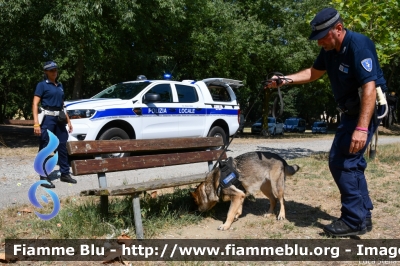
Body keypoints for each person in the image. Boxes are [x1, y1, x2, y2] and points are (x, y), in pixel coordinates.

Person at [266, 8, 387, 237]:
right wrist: (285, 80)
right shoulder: (330, 50)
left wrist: (361, 129)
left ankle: (353, 220)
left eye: (322, 37)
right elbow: (313, 73)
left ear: (338, 29)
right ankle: (363, 215)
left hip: (365, 110)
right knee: (351, 162)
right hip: (350, 112)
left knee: (342, 162)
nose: (319, 42)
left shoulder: (359, 46)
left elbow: (369, 88)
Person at [32, 61, 77, 188]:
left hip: (59, 120)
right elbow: (35, 104)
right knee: (46, 146)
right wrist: (36, 123)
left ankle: (64, 173)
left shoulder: (60, 86)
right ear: (46, 72)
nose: (54, 72)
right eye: (51, 70)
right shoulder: (42, 85)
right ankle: (44, 176)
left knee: (62, 146)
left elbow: (63, 104)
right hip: (47, 119)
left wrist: (68, 120)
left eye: (55, 70)